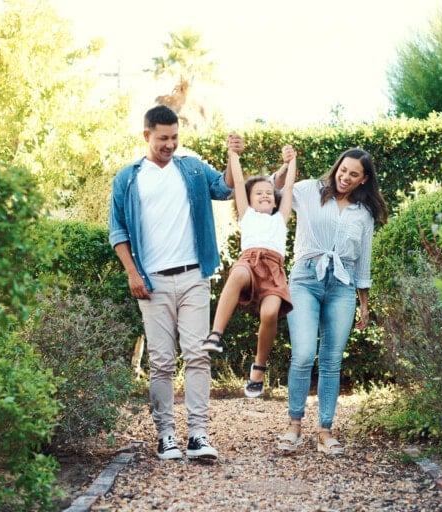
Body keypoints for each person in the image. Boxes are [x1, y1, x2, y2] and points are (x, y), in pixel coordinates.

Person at [108, 104, 243, 461]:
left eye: (175, 137)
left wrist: (233, 158)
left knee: (198, 356)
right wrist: (132, 273)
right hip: (152, 283)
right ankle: (166, 435)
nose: (170, 144)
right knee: (163, 361)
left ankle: (198, 434)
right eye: (163, 138)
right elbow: (118, 231)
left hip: (193, 276)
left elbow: (225, 188)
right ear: (146, 135)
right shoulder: (128, 178)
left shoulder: (192, 168)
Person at [272, 146, 388, 455]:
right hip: (305, 280)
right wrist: (286, 166)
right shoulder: (310, 190)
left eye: (354, 174)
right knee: (303, 354)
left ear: (363, 180)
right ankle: (294, 426)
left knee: (332, 360)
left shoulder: (363, 215)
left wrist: (364, 304)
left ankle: (324, 431)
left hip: (343, 285)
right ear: (336, 167)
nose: (345, 177)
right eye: (343, 170)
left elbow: (363, 262)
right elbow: (275, 192)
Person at [201, 146, 297, 398]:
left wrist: (291, 162)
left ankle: (259, 366)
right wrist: (233, 154)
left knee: (270, 312)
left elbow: (287, 188)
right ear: (249, 199)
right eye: (258, 193)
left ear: (275, 200)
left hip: (274, 270)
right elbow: (239, 180)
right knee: (239, 274)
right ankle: (215, 333)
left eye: (268, 193)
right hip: (250, 262)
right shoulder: (247, 216)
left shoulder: (281, 218)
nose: (265, 195)